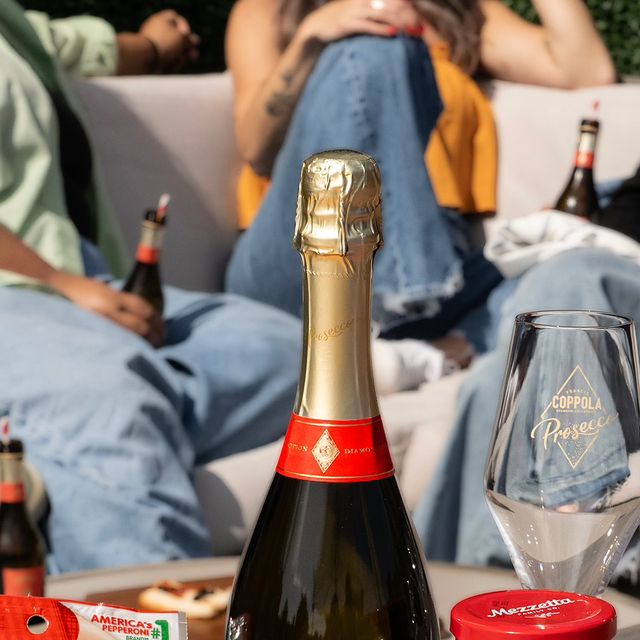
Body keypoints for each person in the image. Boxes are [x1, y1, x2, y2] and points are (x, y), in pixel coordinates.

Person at [0, 0, 304, 573]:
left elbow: (86, 46)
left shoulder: (14, 27)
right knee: (108, 405)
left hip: (80, 287)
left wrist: (155, 45)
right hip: (24, 295)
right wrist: (58, 282)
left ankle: (73, 431)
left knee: (293, 355)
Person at [223, 0, 616, 356]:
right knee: (376, 49)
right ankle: (400, 304)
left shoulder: (458, 12)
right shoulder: (270, 10)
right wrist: (312, 37)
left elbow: (586, 70)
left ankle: (424, 354)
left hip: (439, 272)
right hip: (299, 258)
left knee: (585, 230)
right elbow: (256, 150)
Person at [412, 168, 640, 592]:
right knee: (490, 388)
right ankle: (469, 595)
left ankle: (572, 519)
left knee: (568, 273)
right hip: (612, 260)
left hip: (606, 276)